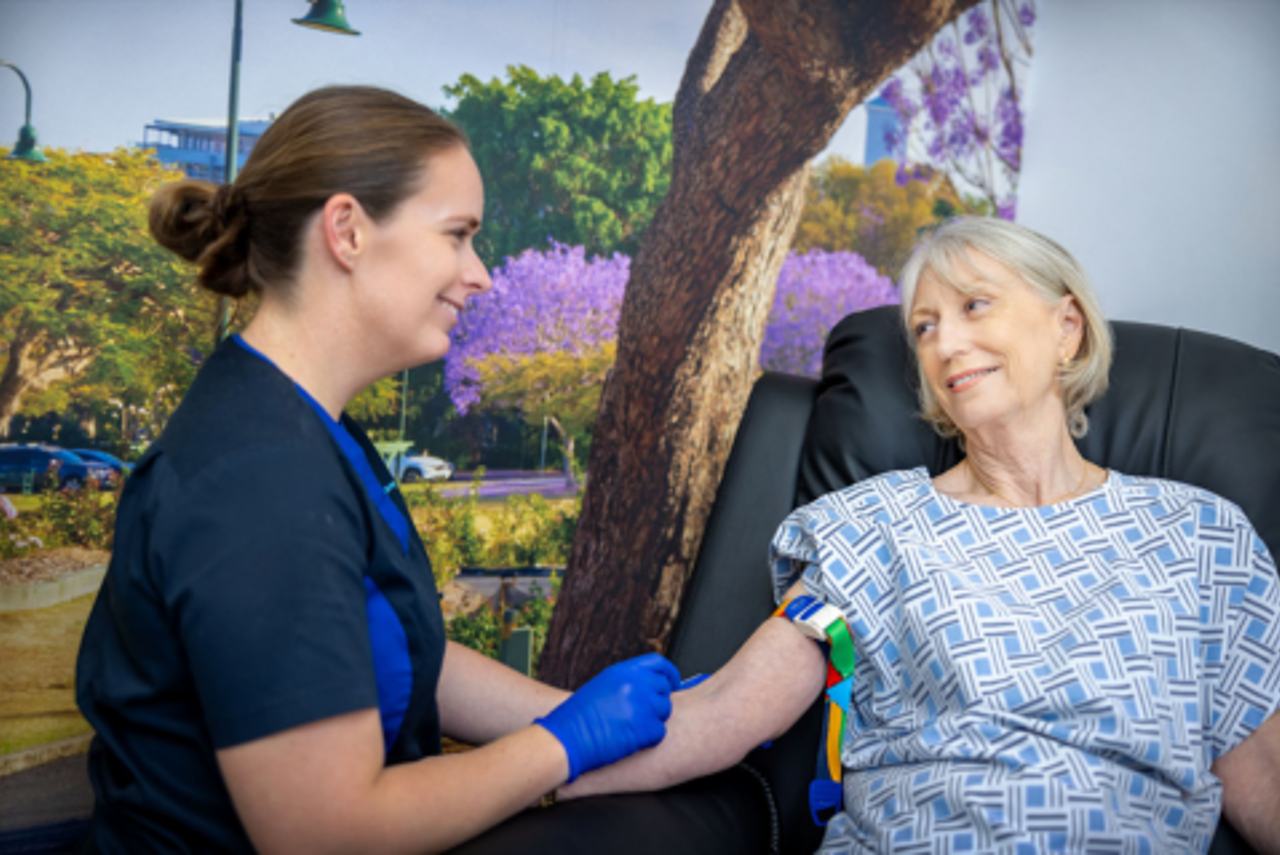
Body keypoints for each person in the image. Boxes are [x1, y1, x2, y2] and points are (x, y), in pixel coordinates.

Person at [74, 85, 682, 854]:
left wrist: (568, 708)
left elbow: (392, 650)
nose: (480, 274)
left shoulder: (310, 427)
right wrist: (562, 743)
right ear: (348, 231)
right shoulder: (258, 484)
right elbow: (325, 833)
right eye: (457, 235)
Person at [557, 217, 1280, 854]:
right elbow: (722, 715)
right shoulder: (871, 527)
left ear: (1067, 327)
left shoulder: (1201, 536)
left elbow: (1262, 779)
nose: (944, 344)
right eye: (926, 327)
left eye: (974, 306)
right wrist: (517, 756)